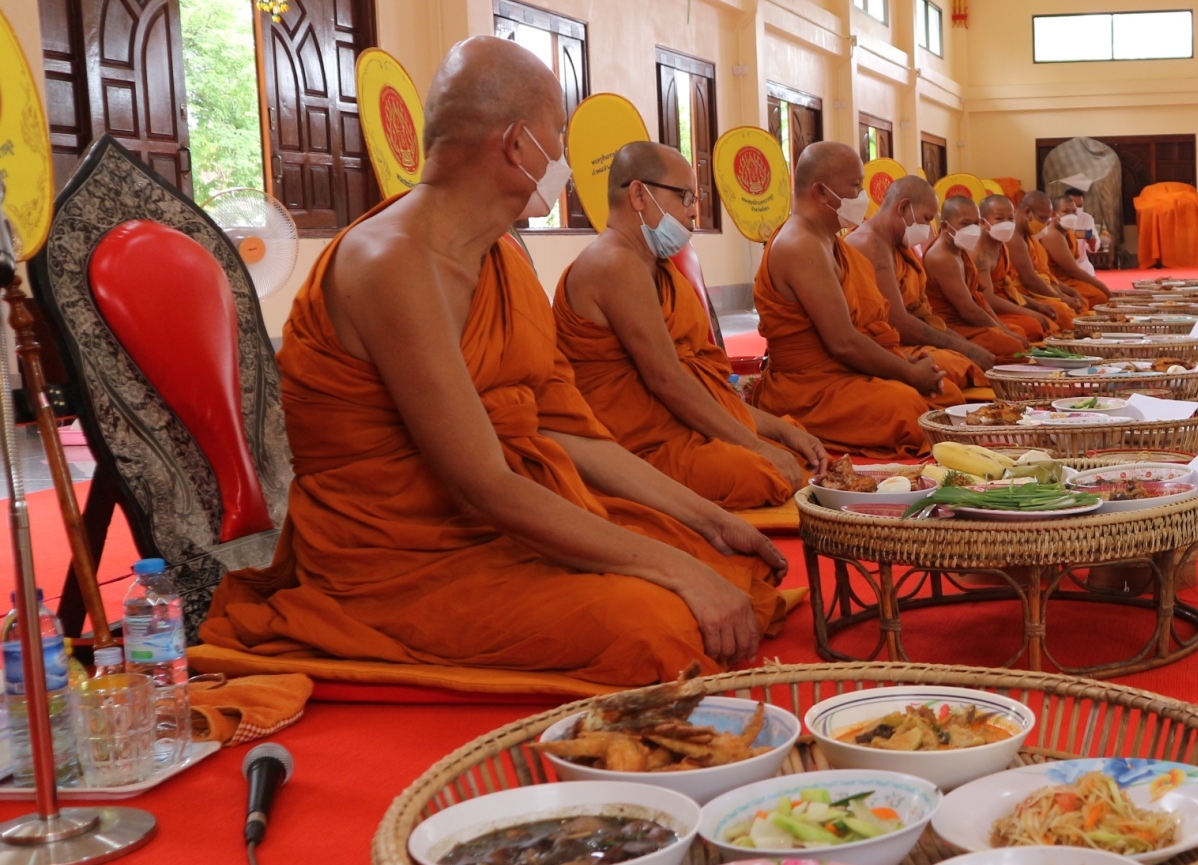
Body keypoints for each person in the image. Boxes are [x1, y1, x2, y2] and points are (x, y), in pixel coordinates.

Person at [202, 36, 793, 686]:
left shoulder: (505, 257)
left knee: (733, 569)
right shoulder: (393, 263)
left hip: (510, 520)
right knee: (664, 622)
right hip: (408, 560)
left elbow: (561, 426)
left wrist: (707, 521)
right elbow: (480, 483)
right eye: (557, 138)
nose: (563, 160)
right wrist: (676, 568)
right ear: (517, 145)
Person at [555, 141, 825, 512]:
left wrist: (779, 430)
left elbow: (699, 380)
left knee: (791, 451)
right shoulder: (613, 263)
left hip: (678, 426)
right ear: (638, 194)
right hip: (633, 447)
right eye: (685, 197)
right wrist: (757, 445)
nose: (693, 211)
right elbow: (667, 379)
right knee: (760, 471)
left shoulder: (657, 267)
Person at [752, 141, 950, 455]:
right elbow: (843, 341)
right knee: (909, 408)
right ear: (821, 192)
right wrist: (908, 373)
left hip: (843, 373)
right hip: (807, 389)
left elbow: (864, 328)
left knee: (940, 394)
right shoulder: (799, 244)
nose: (863, 197)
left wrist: (904, 363)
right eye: (856, 186)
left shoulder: (829, 240)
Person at [843, 176, 996, 389]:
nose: (926, 228)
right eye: (925, 219)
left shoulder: (898, 243)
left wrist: (964, 346)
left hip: (913, 337)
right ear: (903, 207)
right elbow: (897, 321)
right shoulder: (869, 244)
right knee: (956, 369)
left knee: (963, 363)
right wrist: (965, 348)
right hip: (887, 343)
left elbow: (923, 313)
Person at [923, 193, 1033, 360]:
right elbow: (968, 310)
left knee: (1016, 333)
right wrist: (1003, 332)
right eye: (965, 224)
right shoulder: (941, 257)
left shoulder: (961, 250)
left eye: (975, 223)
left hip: (966, 322)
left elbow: (978, 297)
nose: (973, 229)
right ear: (945, 226)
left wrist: (1003, 328)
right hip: (949, 326)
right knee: (1012, 346)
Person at [973, 193, 1055, 343]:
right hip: (988, 309)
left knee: (1046, 321)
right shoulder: (980, 253)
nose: (1006, 223)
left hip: (1006, 301)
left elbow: (1007, 288)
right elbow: (988, 299)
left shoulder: (1002, 246)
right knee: (1032, 327)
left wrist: (1037, 306)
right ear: (983, 222)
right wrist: (1030, 312)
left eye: (1010, 219)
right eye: (999, 218)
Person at [1008, 189, 1086, 330]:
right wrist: (1062, 298)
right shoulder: (1014, 237)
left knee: (1077, 305)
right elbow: (1030, 280)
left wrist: (1065, 293)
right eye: (1043, 218)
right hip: (1023, 295)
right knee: (1063, 312)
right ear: (1027, 212)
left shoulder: (1029, 234)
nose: (1045, 224)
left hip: (1040, 289)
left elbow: (1044, 275)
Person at [1040, 188, 1113, 308]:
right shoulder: (1053, 234)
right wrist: (1107, 291)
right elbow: (1073, 270)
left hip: (1075, 274)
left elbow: (1093, 246)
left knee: (1098, 295)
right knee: (1099, 297)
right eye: (1066, 211)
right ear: (1054, 214)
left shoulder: (1070, 229)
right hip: (1059, 280)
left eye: (1074, 211)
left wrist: (1092, 242)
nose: (1072, 215)